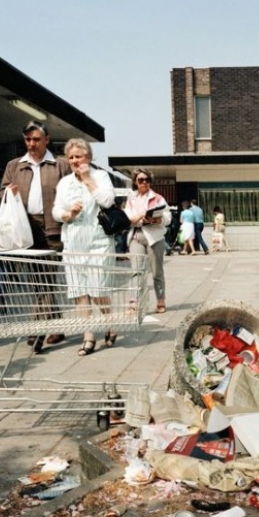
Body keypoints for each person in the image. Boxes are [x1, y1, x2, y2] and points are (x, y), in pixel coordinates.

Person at [0, 120, 71, 349]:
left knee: (46, 278)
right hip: (26, 229)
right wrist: (8, 193)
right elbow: (1, 192)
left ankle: (36, 329)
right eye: (28, 139)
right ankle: (58, 327)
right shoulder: (14, 166)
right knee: (38, 280)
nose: (31, 144)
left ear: (47, 140)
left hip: (52, 227)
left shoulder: (60, 166)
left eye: (36, 139)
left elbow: (72, 193)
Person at [52, 139, 117, 356]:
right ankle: (88, 336)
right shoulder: (64, 183)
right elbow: (56, 210)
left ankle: (110, 322)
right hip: (73, 242)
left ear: (88, 157)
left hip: (98, 242)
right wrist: (68, 214)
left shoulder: (100, 176)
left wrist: (88, 179)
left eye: (78, 156)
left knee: (98, 290)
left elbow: (107, 201)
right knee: (79, 292)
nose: (74, 161)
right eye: (70, 157)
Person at [125, 168, 171, 313]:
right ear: (135, 182)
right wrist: (140, 216)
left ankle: (161, 300)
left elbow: (168, 218)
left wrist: (158, 219)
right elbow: (128, 219)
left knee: (157, 271)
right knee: (136, 270)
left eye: (147, 180)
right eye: (141, 180)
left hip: (155, 237)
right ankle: (134, 302)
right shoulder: (131, 198)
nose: (144, 183)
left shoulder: (158, 198)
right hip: (136, 236)